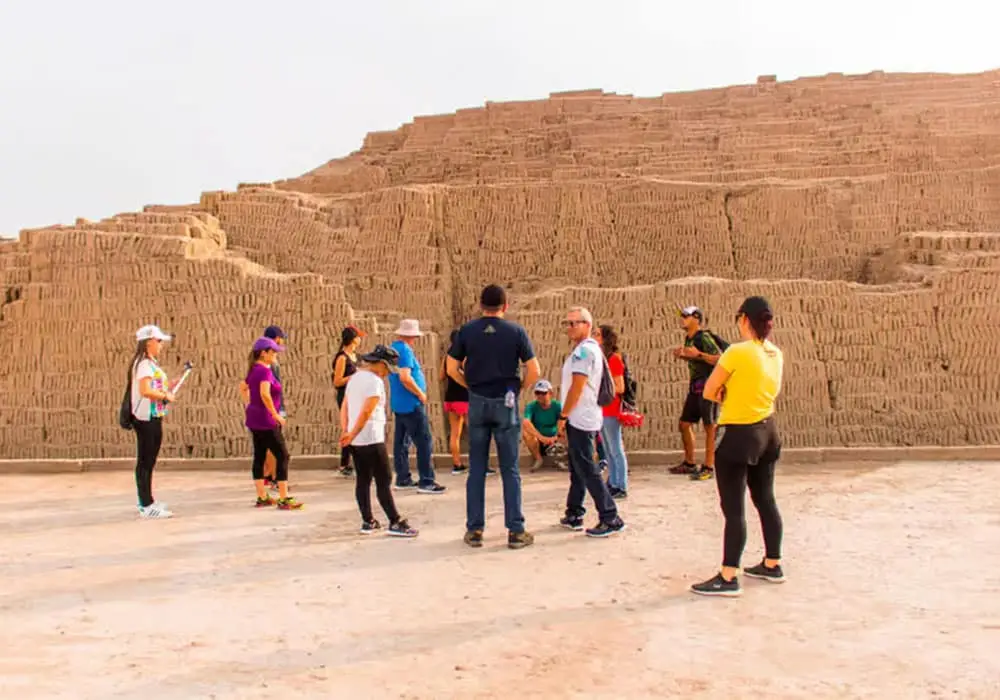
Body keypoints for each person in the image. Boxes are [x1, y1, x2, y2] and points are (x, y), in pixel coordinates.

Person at [690, 296, 785, 598]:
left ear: (744, 319)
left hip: (738, 434)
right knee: (765, 500)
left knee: (733, 509)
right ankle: (772, 563)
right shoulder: (775, 353)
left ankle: (728, 575)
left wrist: (727, 393)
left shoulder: (737, 352)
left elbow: (709, 390)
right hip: (768, 431)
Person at [448, 284, 541, 550]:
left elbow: (451, 367)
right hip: (506, 402)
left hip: (478, 402)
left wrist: (469, 386)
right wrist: (520, 387)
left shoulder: (467, 331)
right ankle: (516, 530)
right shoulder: (516, 332)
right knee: (510, 469)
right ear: (505, 306)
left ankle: (475, 530)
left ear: (481, 305)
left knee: (477, 468)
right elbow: (534, 370)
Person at [556, 307, 627, 538]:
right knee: (578, 467)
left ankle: (610, 516)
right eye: (567, 323)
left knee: (587, 468)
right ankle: (574, 512)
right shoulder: (588, 349)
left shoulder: (584, 352)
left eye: (574, 323)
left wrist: (563, 415)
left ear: (587, 325)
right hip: (583, 416)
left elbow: (577, 387)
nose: (569, 327)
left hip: (580, 418)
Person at [339, 345, 418, 537]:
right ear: (381, 364)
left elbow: (345, 406)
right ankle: (395, 521)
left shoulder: (355, 378)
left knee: (363, 480)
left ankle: (368, 521)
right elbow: (367, 410)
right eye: (387, 369)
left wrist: (347, 431)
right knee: (384, 480)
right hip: (371, 437)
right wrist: (353, 432)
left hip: (356, 440)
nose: (387, 373)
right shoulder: (374, 382)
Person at [245, 336, 302, 510]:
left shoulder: (253, 369)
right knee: (282, 455)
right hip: (266, 420)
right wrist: (275, 414)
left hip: (254, 418)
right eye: (274, 352)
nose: (276, 355)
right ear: (264, 353)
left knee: (259, 455)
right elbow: (265, 394)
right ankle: (284, 497)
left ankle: (262, 496)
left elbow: (243, 387)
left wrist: (250, 404)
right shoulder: (265, 371)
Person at [388, 319, 446, 494]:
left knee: (401, 442)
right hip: (411, 402)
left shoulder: (393, 349)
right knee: (424, 441)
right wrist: (420, 393)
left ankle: (403, 478)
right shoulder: (405, 350)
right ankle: (426, 481)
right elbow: (405, 377)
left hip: (399, 403)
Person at [129, 325, 179, 519]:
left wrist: (168, 386)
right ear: (148, 342)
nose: (161, 345)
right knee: (145, 460)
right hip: (146, 417)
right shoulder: (143, 364)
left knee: (149, 460)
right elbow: (145, 390)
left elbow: (153, 386)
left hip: (153, 415)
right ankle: (146, 505)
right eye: (158, 341)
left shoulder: (149, 363)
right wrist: (165, 396)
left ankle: (147, 500)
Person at [671, 306, 723, 481]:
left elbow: (720, 359)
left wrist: (698, 354)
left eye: (686, 316)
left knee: (710, 427)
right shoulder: (689, 338)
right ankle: (690, 462)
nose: (682, 319)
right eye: (682, 316)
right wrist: (684, 355)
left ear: (697, 318)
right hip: (695, 387)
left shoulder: (704, 337)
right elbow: (696, 359)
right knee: (684, 424)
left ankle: (709, 466)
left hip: (709, 387)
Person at [594, 324, 630, 499]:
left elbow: (620, 386)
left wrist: (602, 390)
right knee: (608, 449)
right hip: (603, 409)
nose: (594, 337)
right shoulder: (603, 358)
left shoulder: (614, 359)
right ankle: (613, 482)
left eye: (597, 334)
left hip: (611, 408)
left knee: (615, 448)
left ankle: (620, 485)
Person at [333, 324, 365, 477]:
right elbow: (337, 381)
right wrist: (353, 377)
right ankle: (344, 464)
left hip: (357, 396)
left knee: (357, 427)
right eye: (358, 337)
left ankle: (353, 462)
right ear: (353, 339)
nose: (360, 340)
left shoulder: (357, 357)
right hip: (346, 397)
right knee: (348, 427)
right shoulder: (342, 358)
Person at [441, 329, 471, 475]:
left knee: (455, 433)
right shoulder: (465, 356)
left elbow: (441, 376)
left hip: (450, 398)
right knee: (476, 432)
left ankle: (457, 464)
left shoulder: (447, 356)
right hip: (465, 398)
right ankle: (481, 465)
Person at [261, 325, 287, 489]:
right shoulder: (270, 363)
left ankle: (267, 475)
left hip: (270, 407)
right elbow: (268, 389)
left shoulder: (261, 361)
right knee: (276, 446)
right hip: (274, 407)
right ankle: (275, 478)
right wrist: (275, 411)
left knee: (267, 445)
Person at [522, 379, 562, 471]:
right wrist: (541, 438)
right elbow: (526, 422)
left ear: (550, 393)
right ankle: (538, 458)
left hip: (555, 440)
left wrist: (556, 437)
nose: (540, 395)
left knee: (569, 429)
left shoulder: (557, 406)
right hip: (538, 441)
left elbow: (563, 422)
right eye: (537, 393)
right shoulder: (531, 406)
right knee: (526, 433)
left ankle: (560, 459)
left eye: (543, 393)